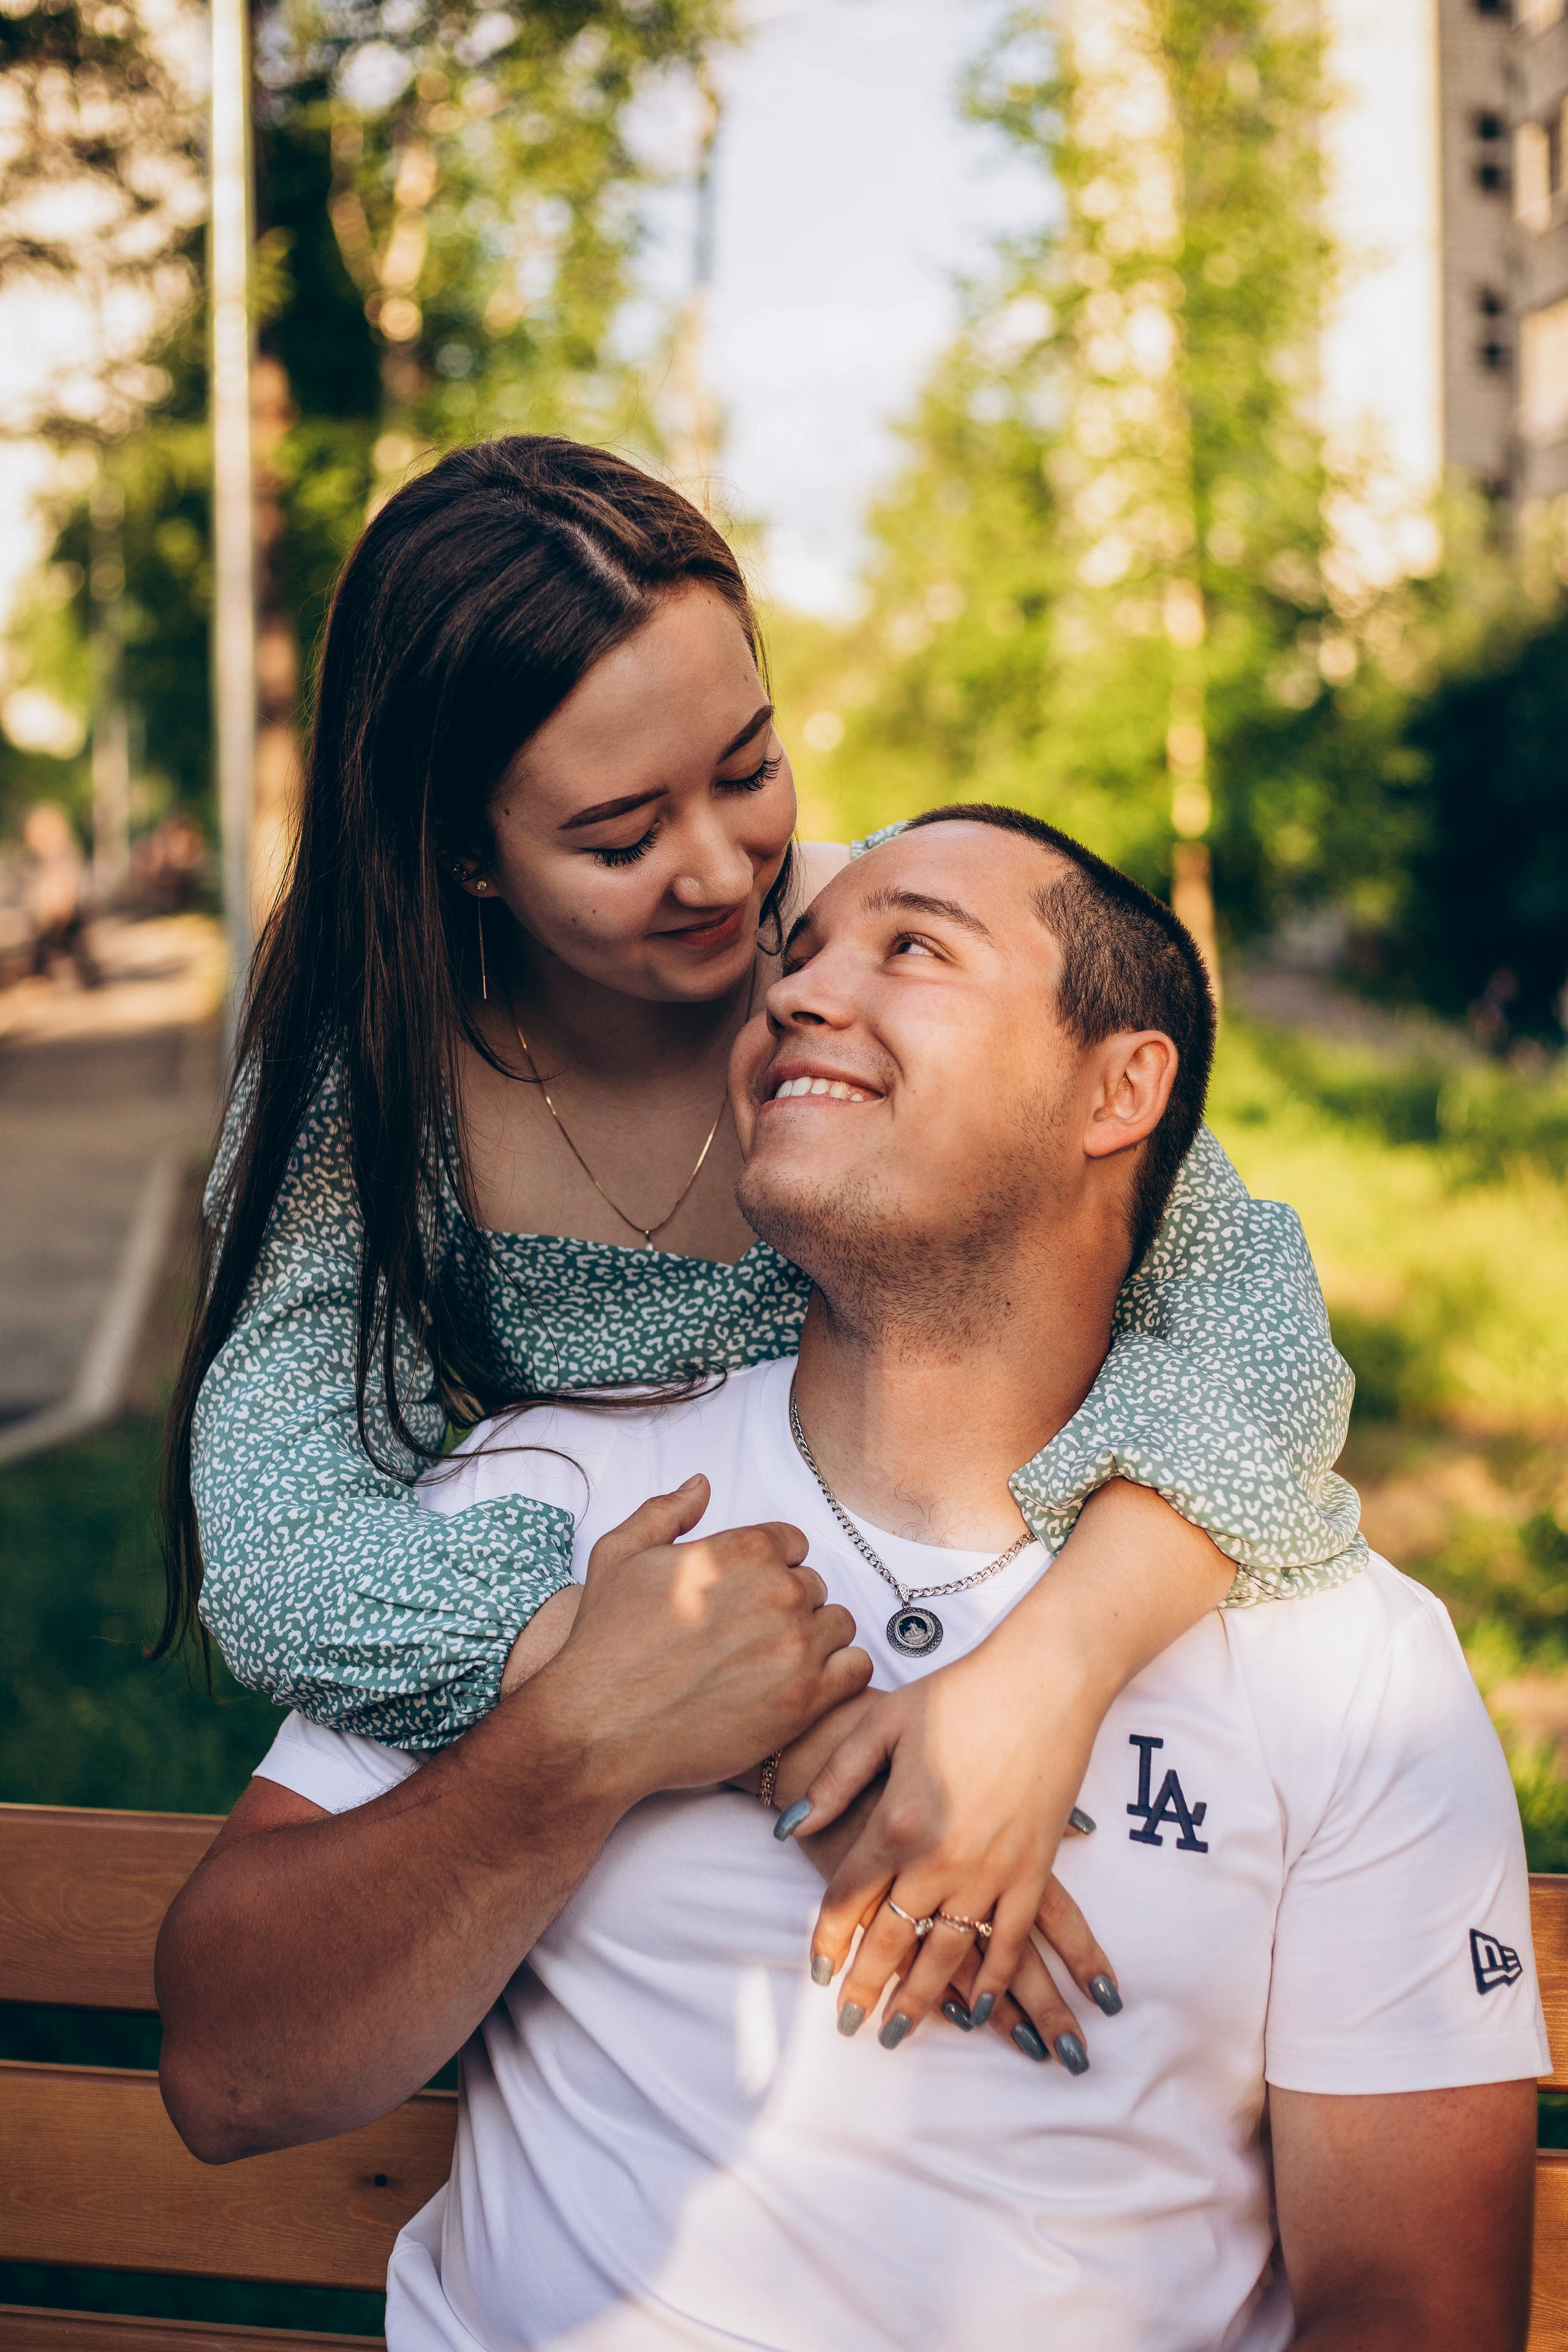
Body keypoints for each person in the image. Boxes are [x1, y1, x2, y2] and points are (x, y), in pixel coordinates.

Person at [158, 810, 1544, 2352]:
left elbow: (1412, 2302)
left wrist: (1049, 1673)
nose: (795, 992)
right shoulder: (562, 1499)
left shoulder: (1337, 1655)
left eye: (912, 948)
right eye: (802, 954)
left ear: (1121, 1088)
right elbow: (226, 2072)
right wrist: (579, 1739)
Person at [160, 434, 1361, 1983]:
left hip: (1029, 1626)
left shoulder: (895, 958)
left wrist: (1034, 1690)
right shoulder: (369, 1072)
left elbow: (1256, 1327)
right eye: (618, 837)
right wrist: (684, 1701)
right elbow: (273, 1537)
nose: (727, 869)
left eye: (748, 767)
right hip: (632, 1790)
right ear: (459, 849)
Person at [22, 801, 102, 987]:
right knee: (53, 946)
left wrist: (59, 908)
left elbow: (65, 886)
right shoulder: (50, 857)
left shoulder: (61, 856)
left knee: (74, 945)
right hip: (60, 911)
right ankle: (42, 974)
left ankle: (90, 978)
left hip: (66, 910)